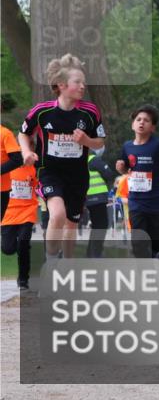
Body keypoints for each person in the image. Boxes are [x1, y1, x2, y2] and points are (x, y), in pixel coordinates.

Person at [18, 54, 105, 259]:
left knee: (71, 224)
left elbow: (100, 141)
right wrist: (26, 152)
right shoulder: (42, 111)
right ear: (62, 85)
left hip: (77, 176)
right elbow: (23, 133)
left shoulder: (90, 112)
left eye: (84, 82)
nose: (83, 86)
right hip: (49, 172)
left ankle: (67, 264)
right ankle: (51, 262)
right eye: (78, 82)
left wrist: (86, 140)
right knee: (57, 214)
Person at [116, 105, 159, 259]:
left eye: (146, 120)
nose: (141, 122)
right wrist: (120, 168)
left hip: (158, 204)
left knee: (157, 244)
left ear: (152, 127)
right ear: (133, 125)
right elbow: (125, 169)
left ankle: (154, 258)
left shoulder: (158, 145)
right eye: (138, 119)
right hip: (136, 203)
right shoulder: (127, 146)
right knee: (139, 243)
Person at [1, 140, 39, 289]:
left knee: (23, 243)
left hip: (27, 211)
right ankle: (18, 246)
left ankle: (23, 279)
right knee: (7, 249)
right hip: (8, 213)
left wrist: (34, 182)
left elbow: (40, 186)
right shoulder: (8, 166)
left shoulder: (35, 168)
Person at [84, 151, 117, 257]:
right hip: (97, 197)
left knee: (97, 225)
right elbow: (109, 174)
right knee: (101, 225)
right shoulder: (94, 160)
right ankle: (95, 254)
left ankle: (91, 254)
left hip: (88, 197)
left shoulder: (81, 160)